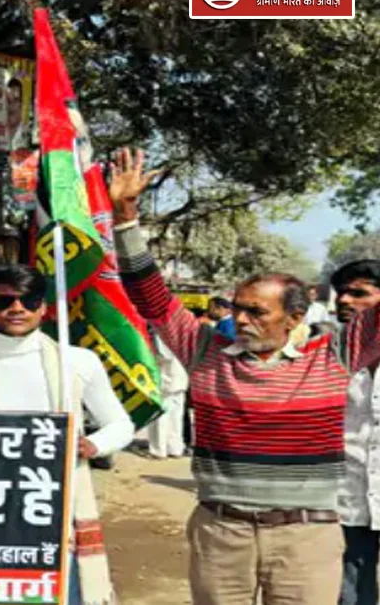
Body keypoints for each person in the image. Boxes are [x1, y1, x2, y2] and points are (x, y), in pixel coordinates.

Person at [110, 147, 380, 605]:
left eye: (256, 311)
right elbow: (150, 295)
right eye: (237, 307)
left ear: (294, 317)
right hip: (222, 531)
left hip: (306, 537)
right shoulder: (204, 348)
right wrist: (125, 216)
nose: (241, 318)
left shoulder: (335, 353)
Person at [0, 265, 133, 605]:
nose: (17, 309)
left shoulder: (76, 362)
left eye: (29, 300)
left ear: (43, 307)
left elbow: (121, 424)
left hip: (58, 511)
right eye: (5, 301)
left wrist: (92, 444)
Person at [330, 260, 380, 605]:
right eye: (341, 292)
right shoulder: (324, 356)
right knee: (350, 593)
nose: (345, 300)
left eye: (358, 293)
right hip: (348, 498)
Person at [146, 330, 189, 459]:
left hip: (166, 379)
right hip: (179, 379)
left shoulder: (161, 333)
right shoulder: (182, 331)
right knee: (176, 417)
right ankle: (175, 448)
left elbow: (164, 357)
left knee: (160, 417)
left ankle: (159, 450)